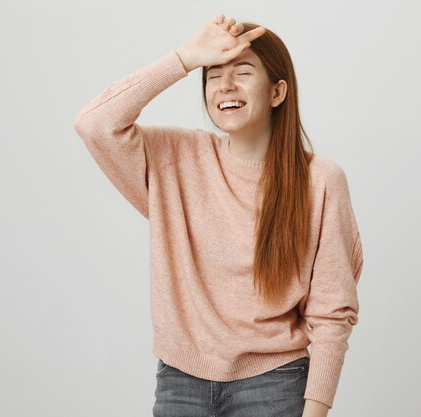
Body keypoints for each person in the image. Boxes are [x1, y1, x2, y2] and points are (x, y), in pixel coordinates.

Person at [74, 13, 364, 417]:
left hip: (275, 385)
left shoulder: (321, 180)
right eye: (213, 75)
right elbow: (94, 123)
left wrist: (315, 412)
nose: (225, 85)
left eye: (243, 72)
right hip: (180, 385)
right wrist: (186, 57)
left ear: (278, 92)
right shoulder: (175, 159)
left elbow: (333, 311)